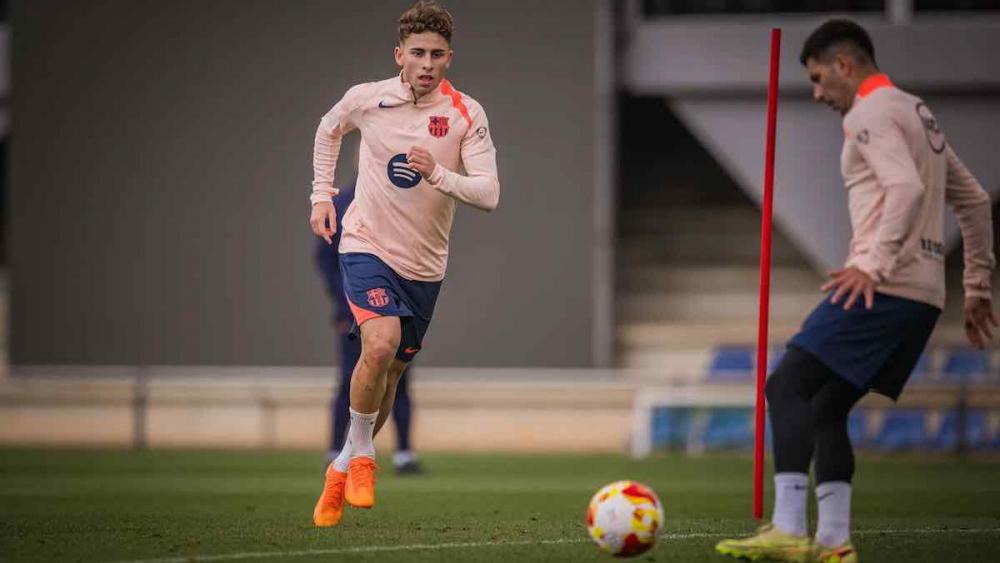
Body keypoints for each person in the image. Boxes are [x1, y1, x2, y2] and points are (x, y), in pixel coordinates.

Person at [716, 19, 996, 563]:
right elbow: (977, 201)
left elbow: (906, 188)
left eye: (820, 79)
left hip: (883, 287)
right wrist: (978, 284)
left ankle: (790, 529)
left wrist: (870, 263)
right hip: (923, 298)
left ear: (845, 65)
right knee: (825, 407)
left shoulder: (869, 113)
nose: (819, 94)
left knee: (785, 385)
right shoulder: (918, 111)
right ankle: (834, 542)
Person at [308, 0, 499, 529]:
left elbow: (488, 194)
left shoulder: (465, 113)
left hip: (425, 267)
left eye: (437, 54)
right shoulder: (367, 100)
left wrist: (439, 175)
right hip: (365, 244)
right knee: (381, 343)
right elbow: (328, 130)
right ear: (400, 54)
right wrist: (321, 196)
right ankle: (365, 456)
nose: (427, 62)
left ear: (448, 58)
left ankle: (346, 462)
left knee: (391, 371)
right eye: (418, 52)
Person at [314, 178, 424, 476]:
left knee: (396, 377)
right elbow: (325, 258)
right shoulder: (341, 202)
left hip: (396, 307)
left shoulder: (402, 200)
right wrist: (347, 299)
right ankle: (337, 452)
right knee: (349, 378)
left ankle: (403, 453)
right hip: (353, 308)